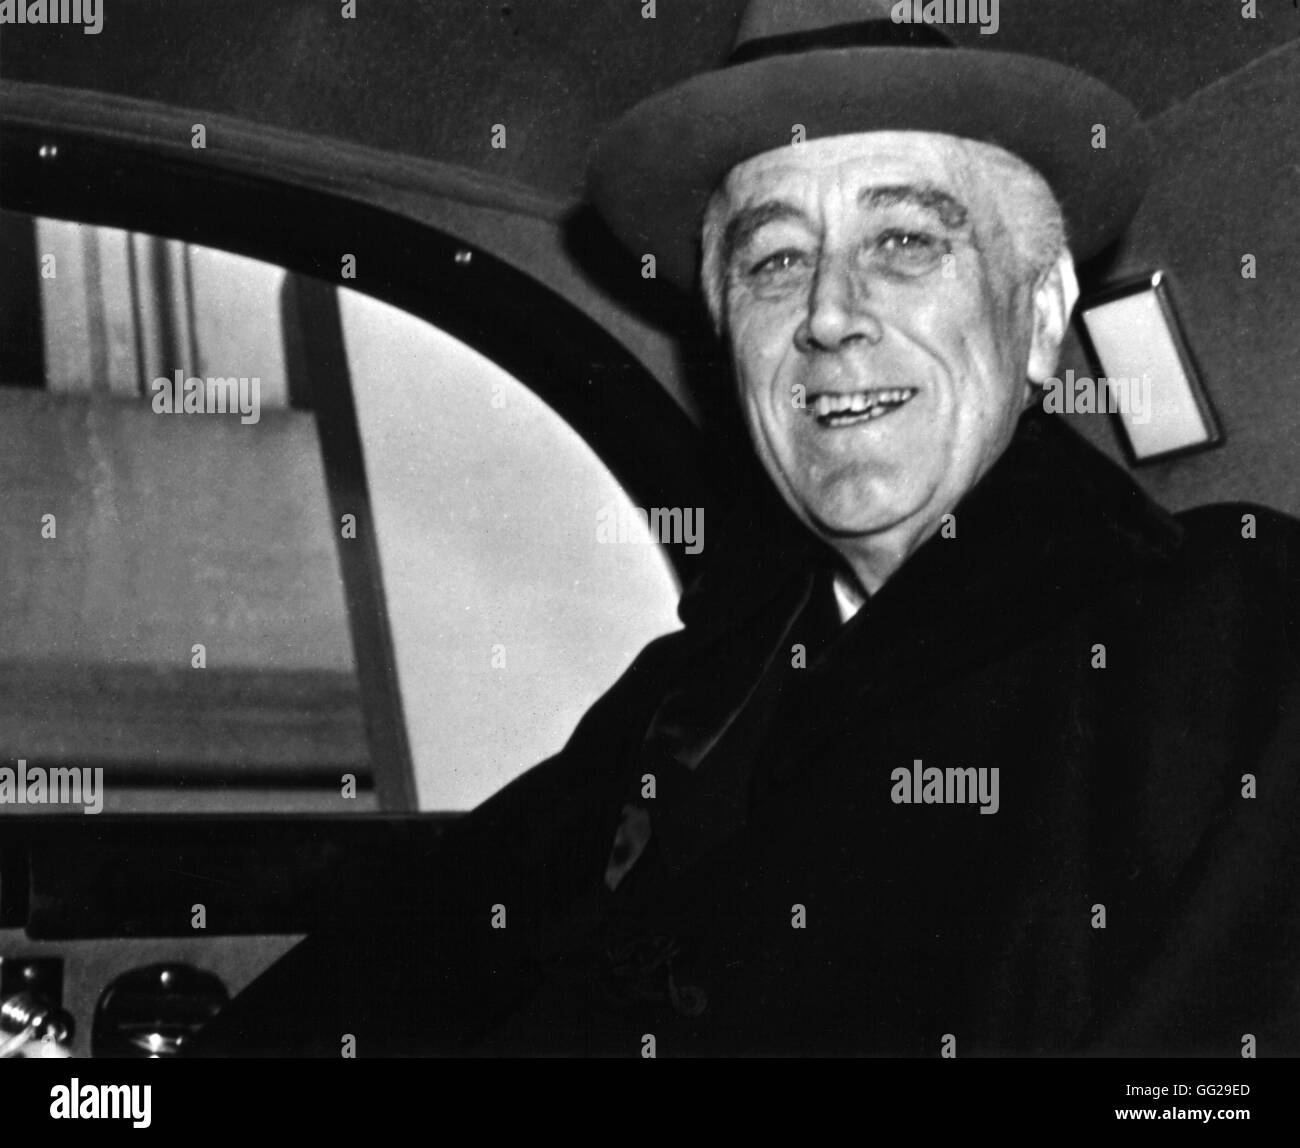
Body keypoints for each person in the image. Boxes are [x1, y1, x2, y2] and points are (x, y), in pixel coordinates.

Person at [192, 0, 1300, 1057]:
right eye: (775, 260)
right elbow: (407, 953)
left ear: (1042, 311)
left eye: (905, 239)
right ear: (730, 340)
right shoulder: (691, 693)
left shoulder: (1223, 634)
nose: (826, 313)